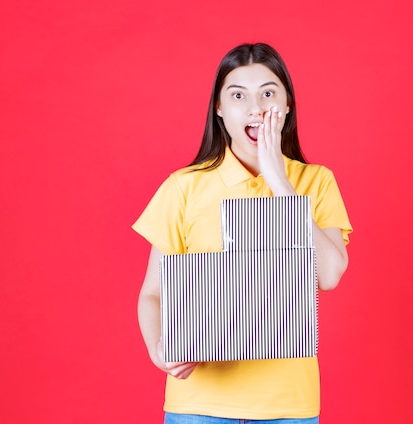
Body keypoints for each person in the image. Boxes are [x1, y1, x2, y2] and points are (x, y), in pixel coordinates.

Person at [133, 43, 353, 424]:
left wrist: (280, 182)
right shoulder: (183, 186)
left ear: (286, 106)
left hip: (288, 406)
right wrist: (158, 349)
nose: (256, 108)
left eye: (269, 93)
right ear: (219, 108)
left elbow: (329, 275)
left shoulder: (315, 181)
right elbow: (153, 292)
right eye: (238, 95)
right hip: (198, 405)